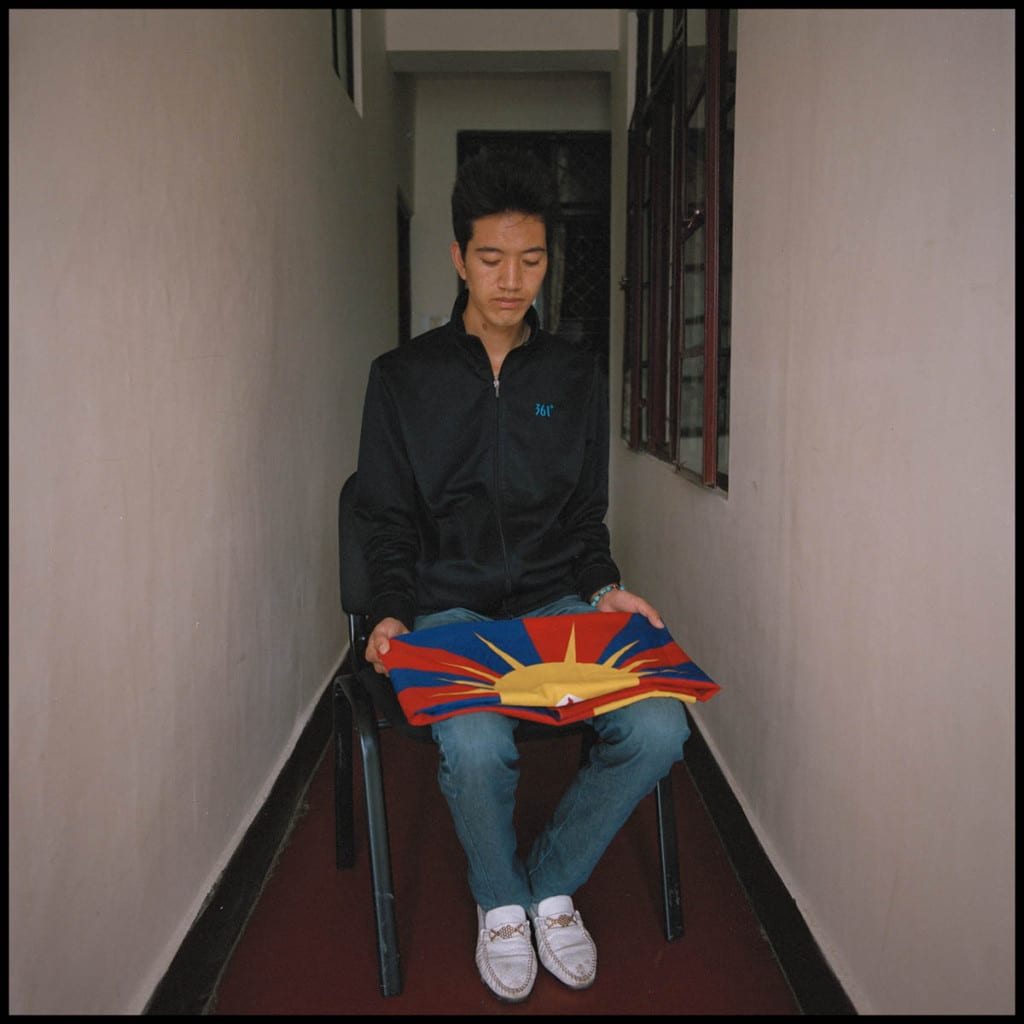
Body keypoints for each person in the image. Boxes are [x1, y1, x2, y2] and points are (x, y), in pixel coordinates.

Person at [352, 148, 691, 1002]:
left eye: (532, 260)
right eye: (493, 259)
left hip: (557, 603)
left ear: (549, 261)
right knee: (471, 738)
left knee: (659, 728)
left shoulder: (573, 375)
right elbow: (387, 518)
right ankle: (499, 901)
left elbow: (584, 515)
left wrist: (606, 587)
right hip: (451, 609)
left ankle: (546, 880)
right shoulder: (402, 380)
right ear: (460, 257)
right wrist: (390, 612)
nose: (513, 280)